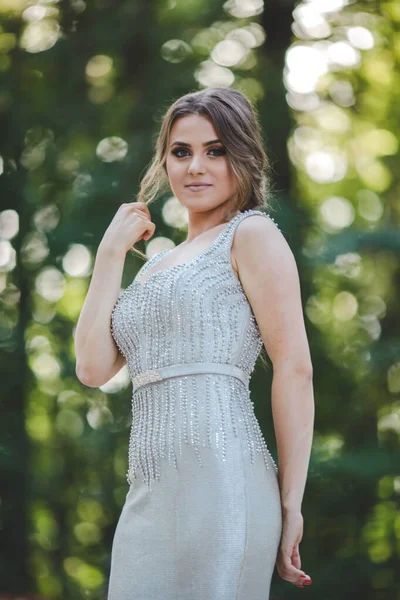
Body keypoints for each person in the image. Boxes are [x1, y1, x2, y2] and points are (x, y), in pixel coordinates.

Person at [75, 87, 315, 599]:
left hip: (225, 481)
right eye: (181, 152)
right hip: (149, 493)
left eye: (215, 150)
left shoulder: (251, 235)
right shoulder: (156, 266)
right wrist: (109, 254)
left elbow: (294, 366)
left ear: (242, 157)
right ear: (165, 160)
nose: (195, 167)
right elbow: (92, 369)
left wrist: (291, 502)